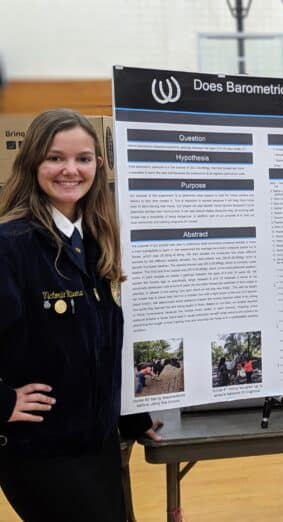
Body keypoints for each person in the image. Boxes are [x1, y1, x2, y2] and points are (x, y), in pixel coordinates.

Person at [0, 109, 162, 522]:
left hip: (96, 444)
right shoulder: (10, 245)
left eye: (83, 158)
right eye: (55, 158)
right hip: (41, 452)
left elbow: (100, 344)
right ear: (32, 161)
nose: (70, 170)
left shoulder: (93, 241)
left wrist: (128, 413)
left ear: (98, 164)